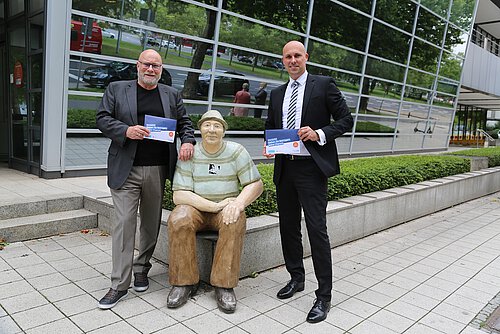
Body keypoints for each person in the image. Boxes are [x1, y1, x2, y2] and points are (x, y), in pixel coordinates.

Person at [96, 49, 196, 309]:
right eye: (147, 64)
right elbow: (102, 118)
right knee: (124, 225)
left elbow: (185, 123)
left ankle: (142, 268)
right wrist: (126, 130)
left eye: (156, 66)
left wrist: (187, 141)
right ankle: (119, 284)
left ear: (161, 69)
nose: (151, 69)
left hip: (158, 168)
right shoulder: (117, 89)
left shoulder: (171, 94)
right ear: (137, 65)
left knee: (150, 224)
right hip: (126, 169)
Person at [264, 41, 353, 323]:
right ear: (283, 60)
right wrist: (268, 143)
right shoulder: (278, 93)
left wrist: (319, 133)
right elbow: (270, 126)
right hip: (285, 169)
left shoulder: (323, 84)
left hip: (312, 169)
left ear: (306, 58)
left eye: (297, 56)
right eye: (288, 56)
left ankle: (324, 296)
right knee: (288, 227)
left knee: (317, 230)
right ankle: (296, 278)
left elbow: (346, 120)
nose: (292, 60)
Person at [166, 110, 263, 313]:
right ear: (199, 129)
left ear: (224, 131)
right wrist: (215, 206)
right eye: (207, 125)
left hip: (226, 209)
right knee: (179, 217)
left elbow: (255, 184)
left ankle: (224, 285)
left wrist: (238, 204)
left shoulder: (236, 151)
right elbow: (179, 195)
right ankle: (184, 283)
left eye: (217, 126)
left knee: (234, 219)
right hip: (197, 210)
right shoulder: (189, 153)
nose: (212, 130)